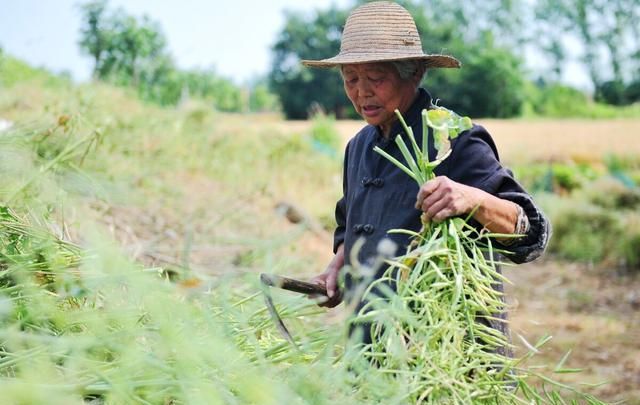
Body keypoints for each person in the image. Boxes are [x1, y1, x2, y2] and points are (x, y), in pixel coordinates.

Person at [305, 1, 550, 347]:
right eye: (351, 79)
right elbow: (354, 226)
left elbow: (532, 233)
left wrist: (473, 199)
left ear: (415, 73)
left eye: (376, 78)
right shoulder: (359, 146)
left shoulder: (453, 137)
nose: (361, 92)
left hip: (446, 355)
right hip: (376, 348)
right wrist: (337, 269)